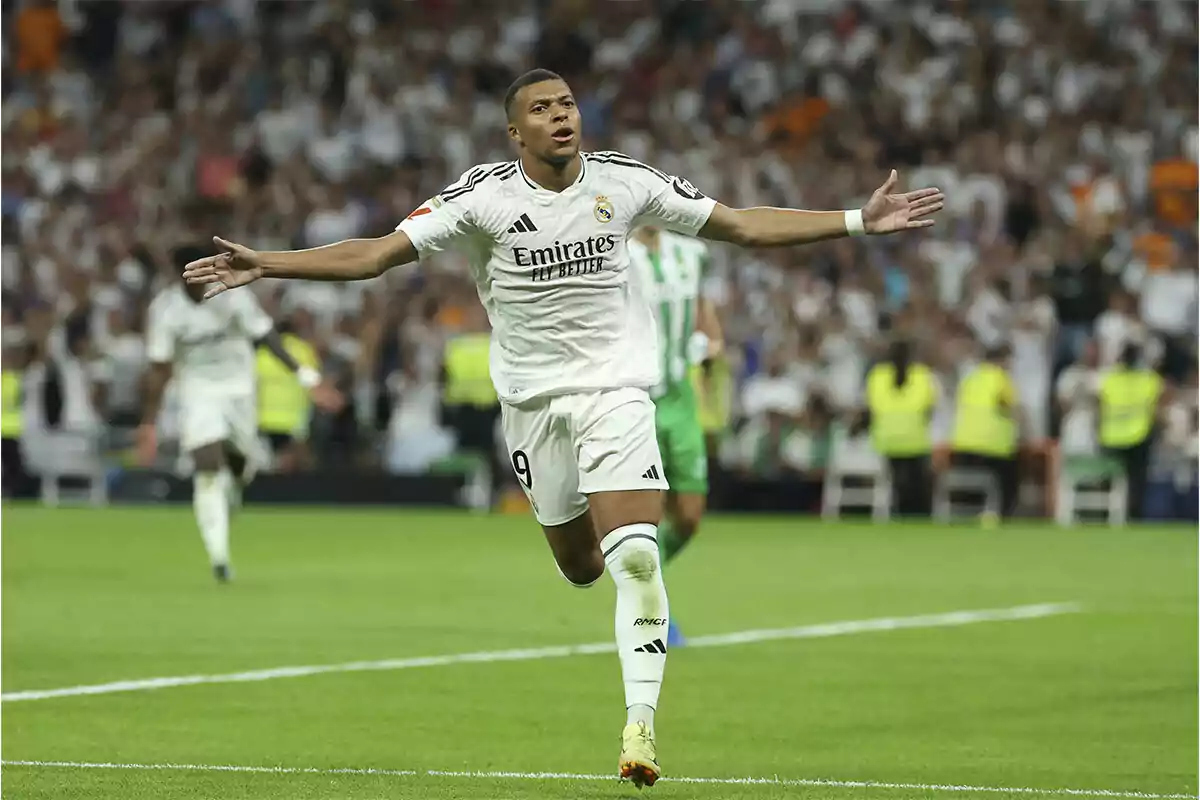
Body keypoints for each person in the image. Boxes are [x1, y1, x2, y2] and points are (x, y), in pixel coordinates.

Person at [181, 68, 943, 787]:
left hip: (619, 393)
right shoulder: (480, 198)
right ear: (515, 134)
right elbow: (375, 254)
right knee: (581, 567)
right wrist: (270, 265)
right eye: (542, 109)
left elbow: (740, 225)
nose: (561, 116)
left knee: (638, 561)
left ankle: (639, 725)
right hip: (535, 407)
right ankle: (585, 562)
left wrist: (854, 221)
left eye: (568, 104)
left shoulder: (626, 181)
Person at [138, 245, 343, 583]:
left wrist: (308, 378)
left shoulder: (232, 294)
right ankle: (219, 556)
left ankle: (232, 491)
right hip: (198, 391)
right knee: (206, 466)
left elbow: (265, 336)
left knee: (238, 469)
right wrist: (149, 422)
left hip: (239, 392)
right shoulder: (164, 310)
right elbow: (159, 369)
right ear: (179, 272)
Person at [628, 224, 723, 648]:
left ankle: (646, 575)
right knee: (646, 513)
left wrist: (711, 340)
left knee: (689, 516)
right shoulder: (615, 256)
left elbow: (702, 305)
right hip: (635, 397)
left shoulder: (691, 253)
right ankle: (651, 612)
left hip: (680, 398)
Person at [865, 339, 939, 516]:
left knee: (894, 482)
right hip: (915, 439)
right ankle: (917, 516)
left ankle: (893, 512)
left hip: (886, 439)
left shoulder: (877, 375)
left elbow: (872, 408)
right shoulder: (922, 375)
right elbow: (929, 408)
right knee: (917, 484)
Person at [951, 346, 1022, 520]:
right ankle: (1001, 516)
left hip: (964, 445)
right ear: (1000, 360)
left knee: (970, 488)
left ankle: (966, 515)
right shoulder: (1001, 379)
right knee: (1011, 482)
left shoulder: (970, 380)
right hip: (993, 447)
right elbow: (1012, 409)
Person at [1098, 343, 1163, 520]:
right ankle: (1134, 514)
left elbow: (1098, 406)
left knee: (1112, 477)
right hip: (1137, 437)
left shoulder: (1109, 379)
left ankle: (1101, 513)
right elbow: (1158, 409)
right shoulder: (1148, 379)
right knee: (1138, 478)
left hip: (1110, 438)